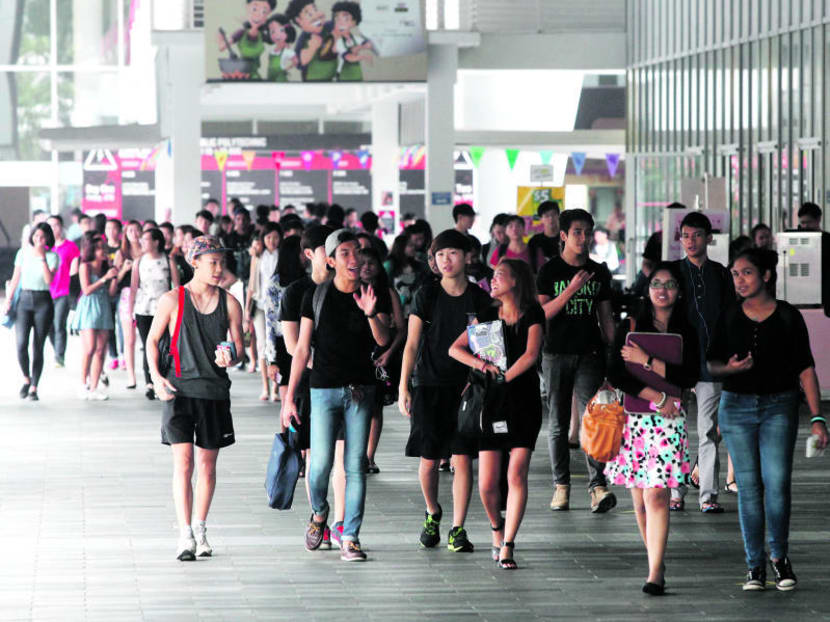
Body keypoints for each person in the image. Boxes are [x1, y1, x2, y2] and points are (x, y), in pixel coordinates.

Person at [707, 248, 828, 592]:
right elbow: (711, 364)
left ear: (767, 276)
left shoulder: (788, 316)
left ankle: (779, 558)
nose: (739, 280)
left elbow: (805, 370)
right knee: (748, 489)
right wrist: (729, 368)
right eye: (734, 274)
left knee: (777, 485)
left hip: (779, 407)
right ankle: (754, 566)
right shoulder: (729, 315)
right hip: (737, 407)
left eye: (746, 273)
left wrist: (818, 417)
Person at [282, 229, 391, 562]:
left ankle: (351, 536)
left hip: (360, 391)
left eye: (357, 251)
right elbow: (301, 350)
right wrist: (288, 398)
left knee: (355, 465)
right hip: (323, 390)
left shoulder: (373, 292)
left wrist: (371, 312)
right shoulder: (315, 297)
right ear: (330, 261)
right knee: (319, 467)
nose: (354, 258)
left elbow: (384, 341)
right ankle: (319, 513)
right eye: (344, 252)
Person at [147, 235, 244, 562]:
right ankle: (184, 533)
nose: (219, 269)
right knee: (184, 463)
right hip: (178, 392)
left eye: (222, 262)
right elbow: (152, 341)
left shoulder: (230, 303)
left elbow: (239, 349)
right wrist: (157, 378)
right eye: (212, 262)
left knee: (206, 465)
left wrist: (231, 357)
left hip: (214, 393)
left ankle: (201, 529)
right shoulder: (173, 300)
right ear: (195, 262)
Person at [606, 262, 700, 595]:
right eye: (656, 283)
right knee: (640, 500)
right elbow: (617, 373)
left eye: (670, 284)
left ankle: (656, 570)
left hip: (669, 421)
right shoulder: (630, 325)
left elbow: (689, 377)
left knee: (657, 493)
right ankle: (654, 560)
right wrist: (658, 396)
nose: (662, 290)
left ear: (679, 290)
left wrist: (647, 360)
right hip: (634, 419)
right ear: (647, 289)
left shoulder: (687, 331)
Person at [398, 230, 493, 553]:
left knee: (462, 458)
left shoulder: (480, 299)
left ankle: (458, 528)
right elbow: (411, 344)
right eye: (440, 255)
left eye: (452, 253)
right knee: (428, 460)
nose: (446, 260)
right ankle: (432, 511)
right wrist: (403, 387)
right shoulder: (427, 295)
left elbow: (488, 348)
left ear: (467, 256)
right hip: (429, 384)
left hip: (467, 389)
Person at [449, 258, 544, 569]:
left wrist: (506, 377)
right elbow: (456, 348)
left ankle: (508, 545)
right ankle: (496, 527)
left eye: (500, 275)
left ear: (516, 281)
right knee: (487, 483)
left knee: (516, 474)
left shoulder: (532, 313)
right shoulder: (487, 315)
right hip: (491, 403)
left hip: (523, 401)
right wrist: (482, 365)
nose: (493, 280)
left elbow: (531, 354)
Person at [536, 208, 617, 513]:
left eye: (587, 232)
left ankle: (597, 486)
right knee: (557, 423)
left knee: (593, 420)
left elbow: (606, 319)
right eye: (577, 232)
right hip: (555, 352)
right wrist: (571, 290)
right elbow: (542, 314)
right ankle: (561, 486)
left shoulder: (600, 271)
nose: (583, 238)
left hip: (590, 353)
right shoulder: (550, 271)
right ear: (564, 236)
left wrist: (615, 358)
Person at [277, 225, 341, 545]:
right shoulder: (296, 292)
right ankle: (320, 515)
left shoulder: (348, 288)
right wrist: (326, 364)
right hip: (310, 383)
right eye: (326, 250)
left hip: (346, 383)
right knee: (316, 457)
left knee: (343, 458)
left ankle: (343, 525)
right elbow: (292, 346)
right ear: (310, 255)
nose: (333, 256)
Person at [672, 211, 735, 513]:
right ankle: (675, 492)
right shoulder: (671, 273)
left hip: (711, 362)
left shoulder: (722, 274)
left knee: (708, 429)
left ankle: (708, 496)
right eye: (685, 235)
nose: (691, 241)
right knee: (674, 428)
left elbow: (730, 317)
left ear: (709, 238)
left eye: (697, 235)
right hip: (675, 362)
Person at [358, 246, 406, 474]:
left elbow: (402, 330)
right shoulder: (350, 291)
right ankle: (356, 454)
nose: (366, 267)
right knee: (357, 407)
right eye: (363, 262)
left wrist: (389, 353)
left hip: (381, 357)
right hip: (357, 355)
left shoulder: (388, 293)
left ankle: (369, 456)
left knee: (375, 408)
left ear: (379, 267)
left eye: (371, 263)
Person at [6, 222, 58, 401]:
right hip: (24, 301)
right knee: (21, 344)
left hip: (43, 301)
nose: (39, 240)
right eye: (36, 236)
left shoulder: (52, 257)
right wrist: (9, 299)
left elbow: (49, 279)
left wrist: (43, 258)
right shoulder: (23, 254)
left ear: (47, 239)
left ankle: (34, 386)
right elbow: (15, 278)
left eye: (42, 237)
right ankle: (26, 378)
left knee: (38, 346)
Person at [131, 228, 179, 401]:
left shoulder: (168, 260)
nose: (142, 242)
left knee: (164, 344)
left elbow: (176, 286)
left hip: (165, 308)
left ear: (156, 242)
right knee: (148, 344)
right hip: (144, 309)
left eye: (146, 239)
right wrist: (131, 311)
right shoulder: (139, 262)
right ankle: (149, 382)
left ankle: (163, 377)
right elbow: (134, 287)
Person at [73, 231, 119, 400]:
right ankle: (82, 383)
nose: (102, 251)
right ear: (92, 249)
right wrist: (104, 278)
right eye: (99, 248)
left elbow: (112, 293)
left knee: (101, 350)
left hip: (104, 306)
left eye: (104, 248)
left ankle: (94, 387)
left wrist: (114, 277)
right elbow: (86, 290)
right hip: (88, 307)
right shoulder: (85, 266)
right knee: (90, 347)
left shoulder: (107, 267)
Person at [263, 234, 304, 404]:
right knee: (288, 400)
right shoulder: (275, 284)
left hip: (306, 341)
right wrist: (272, 359)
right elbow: (270, 323)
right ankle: (286, 432)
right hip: (283, 344)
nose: (305, 256)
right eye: (302, 252)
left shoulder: (309, 281)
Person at [247, 222, 282, 400]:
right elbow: (252, 284)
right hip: (260, 305)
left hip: (278, 306)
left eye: (276, 237)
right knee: (262, 344)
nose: (272, 241)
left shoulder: (282, 255)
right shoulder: (258, 257)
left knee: (275, 345)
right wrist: (247, 310)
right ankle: (265, 388)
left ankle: (276, 387)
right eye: (269, 237)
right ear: (263, 239)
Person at [46, 214, 80, 368]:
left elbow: (75, 270)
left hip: (63, 291)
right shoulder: (45, 248)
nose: (53, 229)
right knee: (48, 326)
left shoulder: (71, 247)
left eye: (56, 225)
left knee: (59, 323)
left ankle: (59, 356)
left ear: (61, 227)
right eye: (50, 226)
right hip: (46, 291)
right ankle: (56, 350)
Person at [114, 220, 143, 388]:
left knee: (148, 336)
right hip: (127, 296)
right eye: (129, 230)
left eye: (136, 230)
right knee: (129, 338)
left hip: (145, 295)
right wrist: (124, 269)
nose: (133, 233)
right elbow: (115, 279)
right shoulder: (121, 253)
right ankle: (131, 376)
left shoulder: (147, 252)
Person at [384, 232, 429, 317]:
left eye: (413, 245)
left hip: (414, 309)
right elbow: (384, 286)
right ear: (401, 247)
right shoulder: (390, 264)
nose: (413, 248)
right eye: (410, 246)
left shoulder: (417, 265)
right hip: (395, 309)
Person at [528, 201, 560, 273]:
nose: (551, 218)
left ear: (558, 216)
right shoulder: (534, 241)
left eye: (553, 214)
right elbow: (532, 267)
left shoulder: (568, 238)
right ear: (541, 219)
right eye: (546, 215)